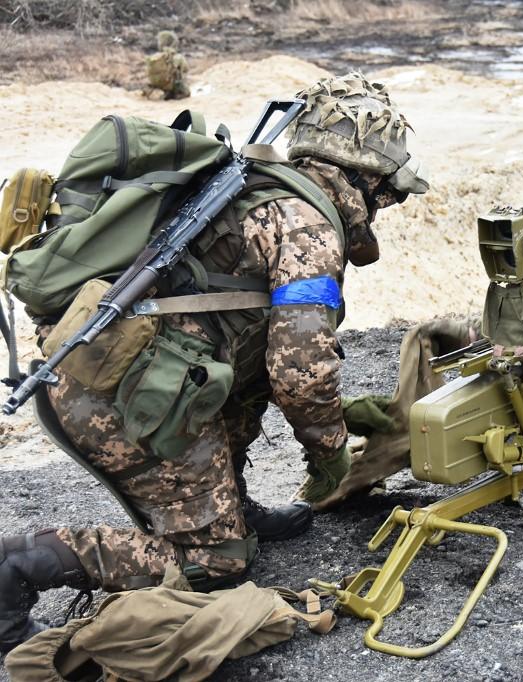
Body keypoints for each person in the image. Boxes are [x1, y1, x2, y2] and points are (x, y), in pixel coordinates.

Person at [0, 73, 429, 652]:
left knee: (239, 374)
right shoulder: (308, 227)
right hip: (119, 400)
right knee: (215, 566)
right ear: (365, 177)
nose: (387, 206)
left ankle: (231, 503)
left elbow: (249, 347)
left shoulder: (261, 188)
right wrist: (329, 454)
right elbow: (301, 372)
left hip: (115, 378)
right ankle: (21, 568)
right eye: (390, 192)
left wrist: (342, 413)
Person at [144, 30, 190, 100]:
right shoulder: (177, 57)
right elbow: (186, 69)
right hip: (172, 87)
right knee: (186, 92)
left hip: (157, 86)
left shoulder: (155, 57)